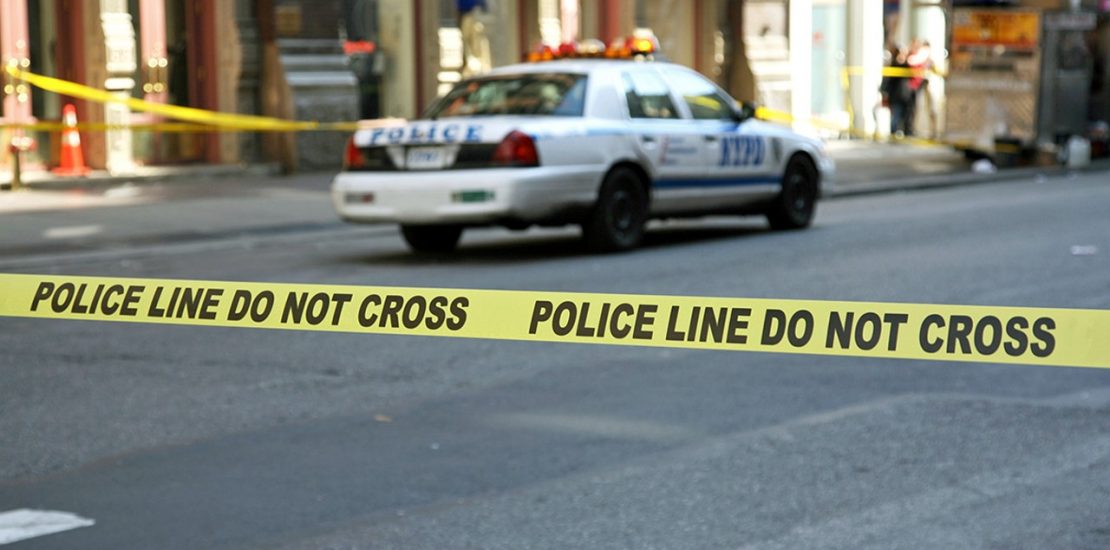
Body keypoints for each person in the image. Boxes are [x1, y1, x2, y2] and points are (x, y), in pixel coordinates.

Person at [880, 44, 913, 138]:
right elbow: (887, 82)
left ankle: (906, 133)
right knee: (895, 117)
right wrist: (885, 94)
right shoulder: (893, 66)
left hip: (906, 96)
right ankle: (893, 134)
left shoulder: (907, 66)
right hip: (896, 97)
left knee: (907, 117)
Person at [907, 39, 936, 139]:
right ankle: (915, 128)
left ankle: (933, 130)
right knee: (917, 107)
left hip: (927, 85)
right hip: (918, 85)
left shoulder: (928, 59)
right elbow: (911, 61)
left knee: (931, 108)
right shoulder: (918, 57)